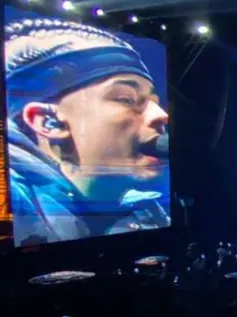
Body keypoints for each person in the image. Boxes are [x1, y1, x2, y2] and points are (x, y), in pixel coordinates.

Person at [5, 17, 170, 244]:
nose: (161, 115)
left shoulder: (148, 211)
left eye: (154, 102)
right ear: (48, 122)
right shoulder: (14, 204)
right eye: (126, 98)